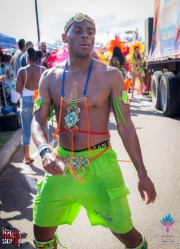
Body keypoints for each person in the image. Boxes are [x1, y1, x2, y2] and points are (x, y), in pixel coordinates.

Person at [32, 13, 156, 249]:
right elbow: (37, 121)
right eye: (78, 30)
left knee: (127, 234)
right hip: (62, 165)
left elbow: (125, 125)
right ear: (64, 37)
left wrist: (142, 173)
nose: (85, 34)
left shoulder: (111, 76)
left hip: (100, 166)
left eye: (90, 31)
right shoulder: (49, 77)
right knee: (41, 232)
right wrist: (45, 150)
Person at [16, 47, 46, 164]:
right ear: (37, 59)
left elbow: (18, 89)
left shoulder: (22, 71)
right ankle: (46, 156)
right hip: (40, 101)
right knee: (43, 128)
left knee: (26, 130)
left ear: (27, 58)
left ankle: (27, 157)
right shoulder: (43, 69)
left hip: (27, 101)